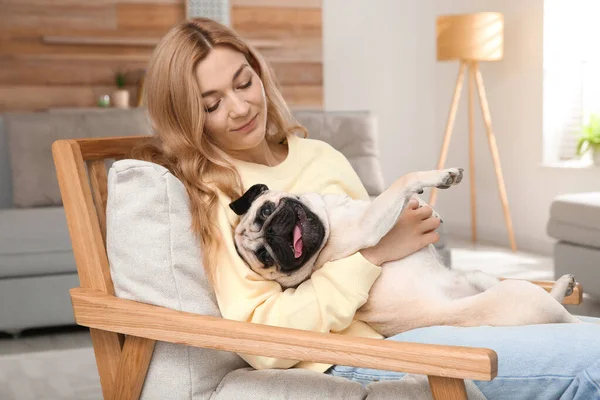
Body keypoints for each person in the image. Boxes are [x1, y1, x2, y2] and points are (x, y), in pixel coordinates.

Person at [134, 18, 600, 400]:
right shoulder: (217, 195)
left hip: (430, 319)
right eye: (212, 104)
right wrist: (373, 256)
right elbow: (265, 343)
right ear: (188, 117)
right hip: (362, 356)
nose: (239, 108)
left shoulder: (319, 156)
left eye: (244, 83)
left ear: (259, 73)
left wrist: (404, 233)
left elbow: (392, 245)